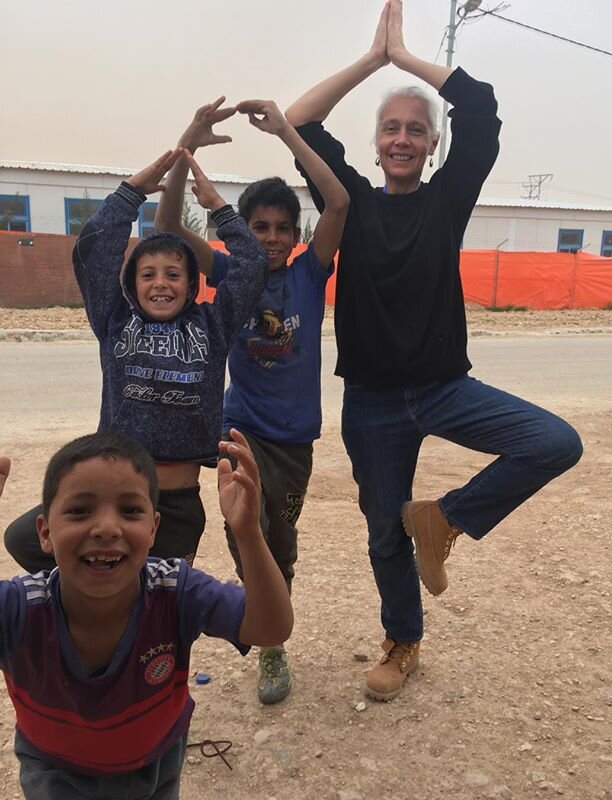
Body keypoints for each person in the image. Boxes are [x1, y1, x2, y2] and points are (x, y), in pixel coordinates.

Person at [285, 0, 583, 702]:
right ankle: (403, 640)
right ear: (376, 141)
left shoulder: (448, 198)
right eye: (391, 127)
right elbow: (298, 123)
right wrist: (370, 61)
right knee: (384, 533)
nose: (402, 138)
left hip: (446, 388)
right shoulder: (347, 201)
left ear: (431, 145)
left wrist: (409, 59)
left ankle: (445, 517)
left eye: (415, 130)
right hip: (373, 403)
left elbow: (478, 106)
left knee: (554, 442)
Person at [5, 118, 268, 572]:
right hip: (113, 492)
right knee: (25, 541)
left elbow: (252, 266)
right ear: (131, 282)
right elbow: (92, 249)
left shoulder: (214, 324)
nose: (160, 283)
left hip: (178, 503)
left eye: (173, 274)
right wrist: (132, 191)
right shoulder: (114, 320)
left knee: (163, 616)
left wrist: (219, 210)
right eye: (148, 274)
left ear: (191, 284)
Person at [155, 99, 349, 704]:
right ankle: (269, 646)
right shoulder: (229, 271)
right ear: (239, 231)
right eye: (258, 226)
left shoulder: (309, 273)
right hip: (238, 429)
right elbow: (165, 225)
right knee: (247, 532)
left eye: (280, 228)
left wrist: (287, 130)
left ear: (297, 236)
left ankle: (272, 629)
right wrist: (186, 148)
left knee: (280, 541)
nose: (268, 238)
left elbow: (338, 202)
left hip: (294, 439)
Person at [0, 429, 292, 799]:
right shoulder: (19, 609)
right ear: (44, 532)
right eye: (79, 511)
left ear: (153, 529)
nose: (107, 528)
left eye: (130, 510)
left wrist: (249, 533)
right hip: (56, 773)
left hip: (156, 766)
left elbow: (270, 628)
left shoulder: (175, 590)